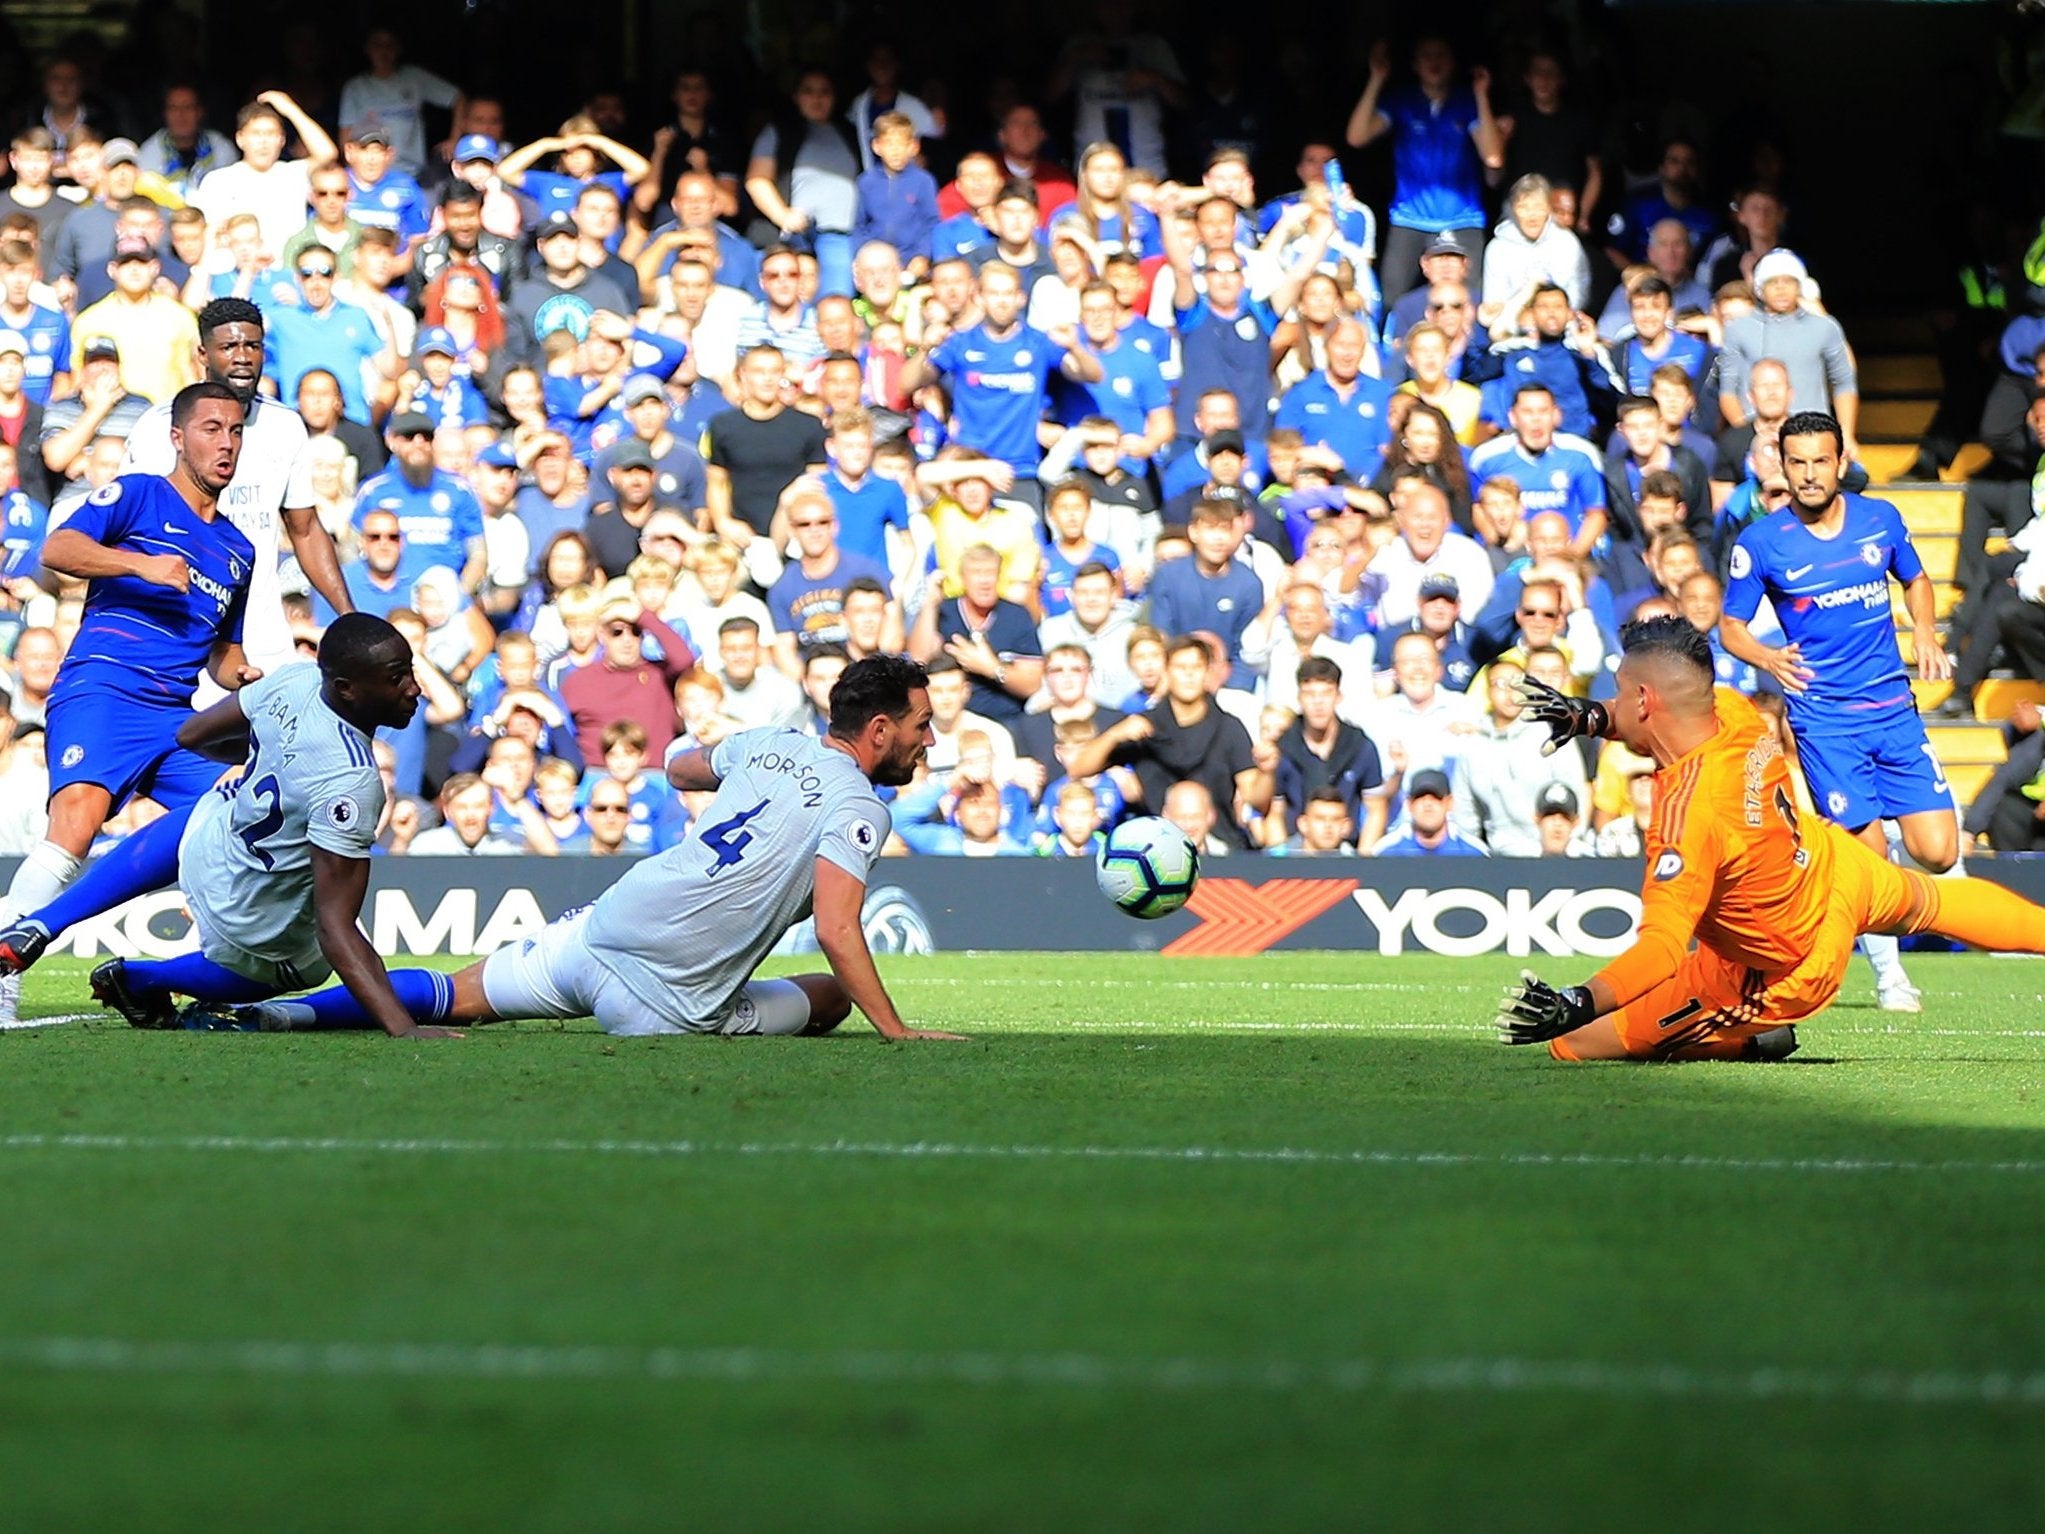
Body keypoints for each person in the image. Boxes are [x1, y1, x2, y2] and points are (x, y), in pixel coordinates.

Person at [228, 655, 964, 1041]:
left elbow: (679, 766)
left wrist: (737, 770)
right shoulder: (859, 804)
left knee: (458, 994)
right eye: (920, 726)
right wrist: (896, 1032)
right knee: (827, 998)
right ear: (877, 732)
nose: (927, 741)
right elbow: (836, 929)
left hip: (606, 929)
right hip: (666, 1008)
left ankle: (289, 1017)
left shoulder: (770, 742)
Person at [1497, 616, 2045, 1061]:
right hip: (1834, 867)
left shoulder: (1689, 814)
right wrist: (1593, 717)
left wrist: (1580, 1001)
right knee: (1933, 900)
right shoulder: (1733, 711)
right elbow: (1661, 709)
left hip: (1781, 966)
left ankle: (1751, 1038)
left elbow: (1662, 950)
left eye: (1616, 695)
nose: (1611, 704)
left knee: (1573, 1046)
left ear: (1644, 700)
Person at [0, 613, 444, 1035]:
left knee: (207, 809)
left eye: (408, 672)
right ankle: (144, 979)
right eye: (396, 678)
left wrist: (263, 754)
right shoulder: (353, 781)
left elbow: (191, 736)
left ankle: (42, 922)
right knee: (303, 965)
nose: (413, 689)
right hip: (253, 910)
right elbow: (335, 926)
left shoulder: (297, 678)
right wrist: (404, 1028)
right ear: (347, 688)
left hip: (210, 846)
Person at [0, 382, 260, 1026]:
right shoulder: (141, 493)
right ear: (178, 436)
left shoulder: (239, 549)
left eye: (233, 431)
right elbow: (56, 549)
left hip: (178, 719)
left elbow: (220, 653)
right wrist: (140, 566)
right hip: (105, 687)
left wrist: (251, 677)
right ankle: (4, 976)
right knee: (77, 824)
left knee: (238, 816)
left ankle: (181, 978)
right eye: (210, 428)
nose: (224, 443)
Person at [1720, 412, 1953, 1013]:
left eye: (1820, 460)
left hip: (1893, 708)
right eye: (1796, 462)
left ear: (1841, 461)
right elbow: (1730, 629)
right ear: (1781, 464)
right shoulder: (1762, 543)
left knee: (1940, 852)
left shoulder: (1881, 519)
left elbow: (1917, 578)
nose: (1809, 473)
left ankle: (1829, 874)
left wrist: (1925, 632)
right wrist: (1769, 659)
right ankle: (1892, 980)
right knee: (1870, 860)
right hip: (1824, 720)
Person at [123, 298, 351, 678]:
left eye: (253, 346)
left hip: (263, 642)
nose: (243, 357)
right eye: (229, 347)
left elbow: (306, 530)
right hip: (179, 640)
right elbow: (131, 531)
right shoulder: (158, 428)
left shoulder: (285, 426)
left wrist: (348, 617)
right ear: (203, 354)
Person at [1344, 36, 1503, 304]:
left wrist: (1481, 95)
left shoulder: (1467, 101)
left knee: (1470, 303)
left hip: (1463, 219)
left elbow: (1494, 157)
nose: (1434, 62)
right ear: (1415, 65)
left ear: (1452, 63)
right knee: (1392, 302)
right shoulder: (1401, 101)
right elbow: (1356, 137)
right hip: (1409, 219)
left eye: (1440, 55)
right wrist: (1377, 79)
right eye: (1426, 56)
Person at [1371, 768, 1488, 855]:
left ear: (1449, 803)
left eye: (1436, 798)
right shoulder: (1385, 851)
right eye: (1420, 798)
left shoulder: (1474, 851)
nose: (1428, 805)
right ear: (1409, 804)